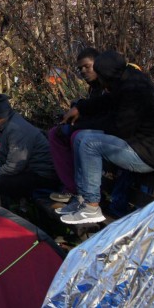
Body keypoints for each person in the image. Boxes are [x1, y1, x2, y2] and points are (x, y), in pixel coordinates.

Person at [57, 50, 154, 224]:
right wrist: (81, 108)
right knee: (79, 138)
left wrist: (81, 124)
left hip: (152, 155)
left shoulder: (134, 89)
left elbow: (120, 128)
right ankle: (82, 200)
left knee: (89, 143)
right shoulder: (124, 78)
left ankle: (91, 206)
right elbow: (107, 101)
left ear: (108, 77)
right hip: (138, 146)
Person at [0, 95, 59, 207]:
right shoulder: (9, 125)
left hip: (43, 176)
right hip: (29, 170)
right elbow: (3, 159)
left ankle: (2, 213)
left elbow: (14, 166)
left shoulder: (16, 130)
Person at [48, 47, 104, 203]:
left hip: (107, 136)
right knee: (55, 133)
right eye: (80, 69)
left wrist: (76, 125)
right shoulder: (93, 88)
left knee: (77, 137)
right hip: (95, 132)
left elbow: (104, 118)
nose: (84, 71)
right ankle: (71, 187)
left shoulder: (108, 85)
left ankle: (84, 193)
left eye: (87, 66)